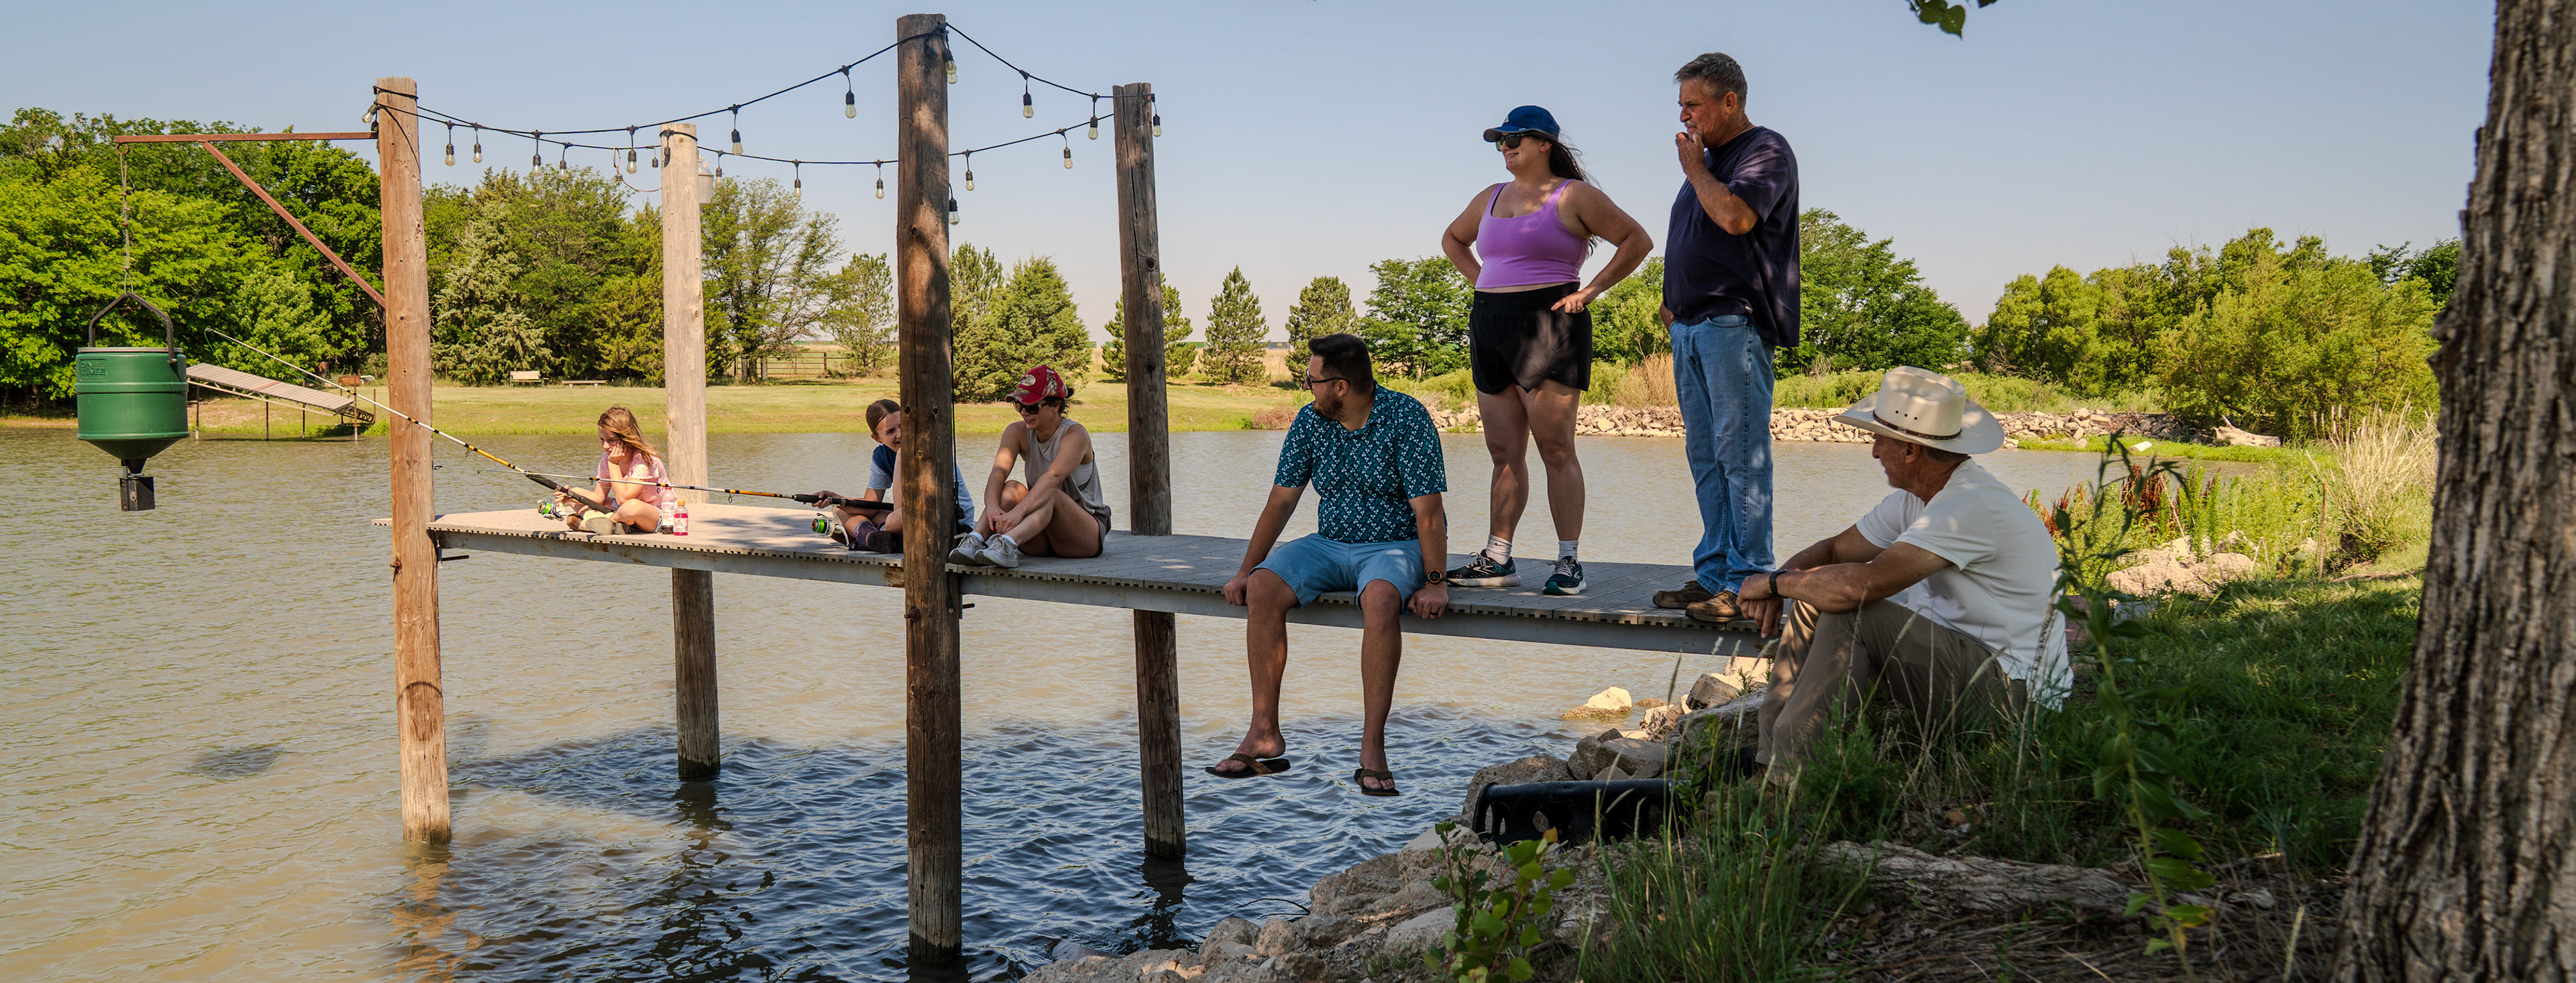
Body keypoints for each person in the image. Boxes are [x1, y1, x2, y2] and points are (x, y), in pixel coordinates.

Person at [1732, 367, 2070, 783]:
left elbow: (1859, 587)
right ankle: (1770, 761)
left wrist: (1770, 583)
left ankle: (1792, 782)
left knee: (1851, 609)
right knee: (1814, 594)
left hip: (2013, 696)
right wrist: (1787, 579)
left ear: (1910, 450)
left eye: (1879, 440)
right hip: (1964, 667)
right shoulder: (1918, 499)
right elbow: (1835, 550)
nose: (1874, 452)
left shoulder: (1968, 506)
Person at [1209, 333, 1449, 797]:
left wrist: (1436, 582)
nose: (1307, 389)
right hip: (1328, 542)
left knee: (1380, 599)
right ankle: (1264, 731)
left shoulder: (1406, 418)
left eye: (1311, 380)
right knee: (1262, 588)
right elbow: (1280, 503)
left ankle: (1372, 749)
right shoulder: (1309, 422)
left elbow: (1429, 513)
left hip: (1393, 545)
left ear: (1340, 386)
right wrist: (1246, 570)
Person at [1437, 105, 1654, 596]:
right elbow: (1452, 239)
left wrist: (1590, 291)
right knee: (1503, 452)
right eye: (1500, 140)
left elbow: (1636, 241)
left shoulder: (1573, 195)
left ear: (1544, 144)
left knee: (1555, 448)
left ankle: (1569, 561)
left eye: (1515, 138)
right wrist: (1481, 282)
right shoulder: (1490, 197)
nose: (1506, 146)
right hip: (1490, 324)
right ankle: (1498, 558)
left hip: (1551, 322)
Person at [1649, 52, 1803, 625]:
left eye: (1694, 105)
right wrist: (1672, 304)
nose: (1685, 117)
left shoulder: (1765, 150)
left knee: (1740, 455)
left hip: (1732, 324)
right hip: (1690, 327)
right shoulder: (1709, 162)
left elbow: (1737, 219)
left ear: (1730, 101)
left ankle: (1748, 582)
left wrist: (1694, 169)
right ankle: (1715, 574)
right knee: (1706, 456)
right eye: (1682, 107)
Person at [951, 365, 1111, 569]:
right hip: (1039, 535)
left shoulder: (1075, 435)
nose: (1025, 412)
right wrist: (992, 506)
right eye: (1019, 405)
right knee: (1011, 488)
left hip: (1082, 537)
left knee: (1050, 492)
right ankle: (975, 539)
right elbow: (998, 472)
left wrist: (1017, 514)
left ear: (1055, 405)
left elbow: (1054, 478)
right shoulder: (1016, 432)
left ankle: (1007, 543)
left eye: (1033, 407)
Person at [812, 398, 972, 553]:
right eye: (890, 431)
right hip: (910, 517)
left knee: (897, 519)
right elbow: (871, 504)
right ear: (876, 438)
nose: (901, 434)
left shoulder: (928, 448)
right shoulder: (881, 456)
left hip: (951, 522)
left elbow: (902, 510)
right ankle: (872, 537)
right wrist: (834, 498)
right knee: (841, 511)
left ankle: (871, 536)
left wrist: (902, 455)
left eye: (904, 426)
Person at [553, 406, 673, 534]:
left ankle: (594, 522)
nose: (605, 446)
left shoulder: (645, 459)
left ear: (627, 437)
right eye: (602, 439)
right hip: (621, 511)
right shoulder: (607, 458)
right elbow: (599, 497)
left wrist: (613, 463)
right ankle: (605, 523)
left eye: (611, 440)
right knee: (576, 491)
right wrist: (571, 497)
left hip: (658, 515)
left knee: (632, 506)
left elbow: (623, 499)